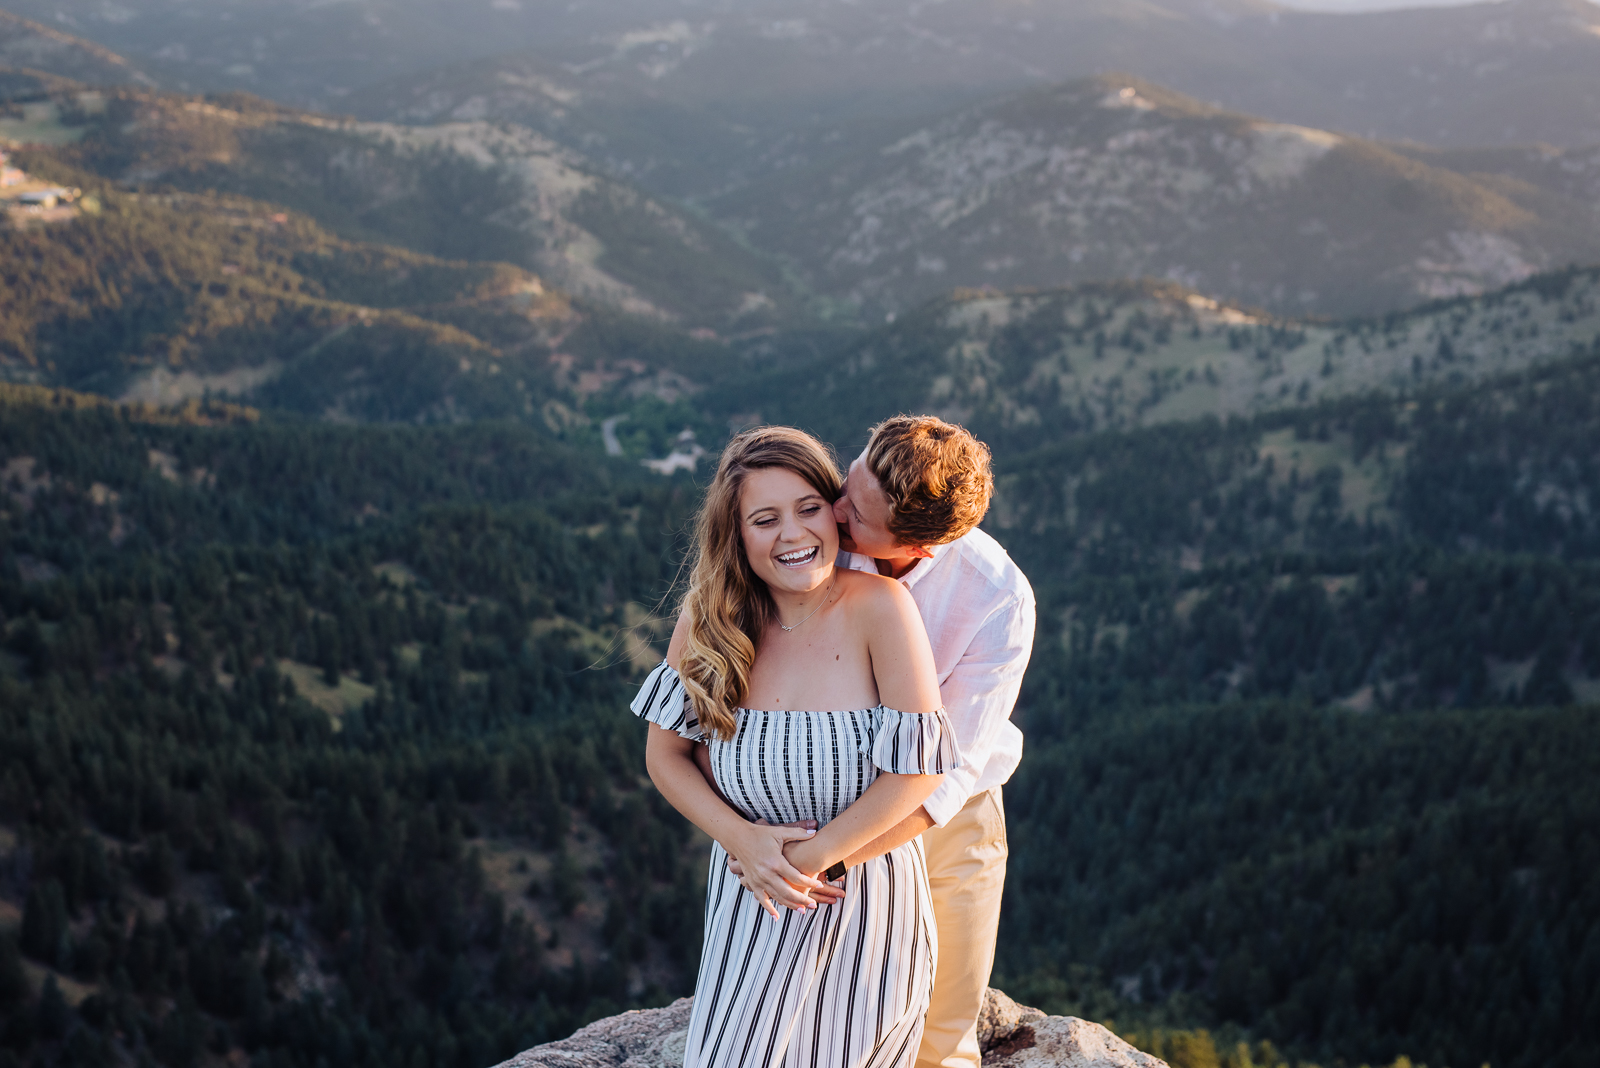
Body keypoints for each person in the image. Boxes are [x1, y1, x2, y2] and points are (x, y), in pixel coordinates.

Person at [632, 425, 961, 1068]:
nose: (793, 534)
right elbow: (664, 756)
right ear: (737, 535)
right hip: (751, 904)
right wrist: (744, 841)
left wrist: (808, 858)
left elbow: (916, 772)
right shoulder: (709, 619)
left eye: (809, 509)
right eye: (765, 519)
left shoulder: (883, 608)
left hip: (865, 912)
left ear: (834, 512)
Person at [829, 415, 1036, 1068]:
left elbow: (950, 774)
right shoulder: (819, 531)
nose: (833, 509)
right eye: (848, 479)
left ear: (917, 550)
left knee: (938, 1038)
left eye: (857, 515)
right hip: (830, 791)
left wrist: (828, 860)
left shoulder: (998, 598)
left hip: (949, 820)